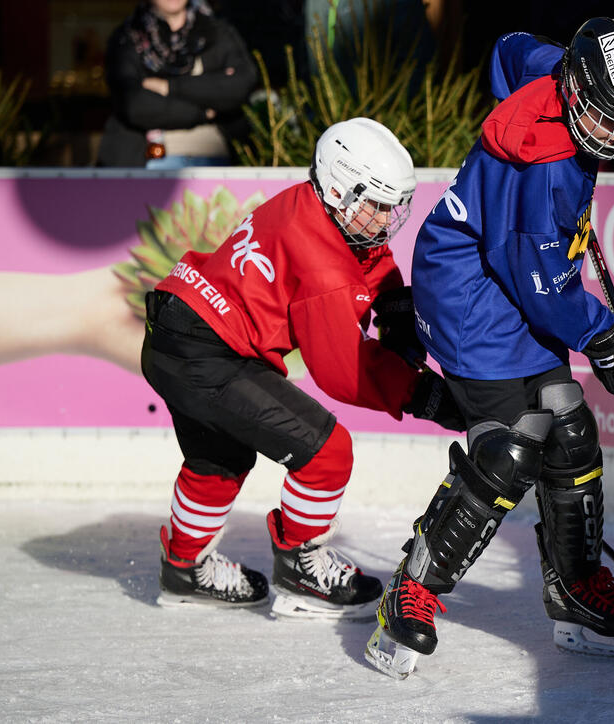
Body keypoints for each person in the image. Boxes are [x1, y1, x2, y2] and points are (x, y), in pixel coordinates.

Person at [365, 17, 614, 678]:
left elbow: (507, 49)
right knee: (509, 448)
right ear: (577, 92)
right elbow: (545, 291)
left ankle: (574, 587)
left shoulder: (554, 74)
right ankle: (411, 590)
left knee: (570, 425)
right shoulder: (549, 171)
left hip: (504, 270)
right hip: (470, 294)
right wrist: (611, 339)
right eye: (606, 120)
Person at [141, 117, 465, 619]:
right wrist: (425, 395)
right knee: (325, 452)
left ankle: (183, 570)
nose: (386, 219)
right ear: (339, 191)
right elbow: (345, 372)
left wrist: (392, 302)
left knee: (218, 460)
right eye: (377, 205)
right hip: (209, 355)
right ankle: (300, 570)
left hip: (173, 332)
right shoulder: (323, 264)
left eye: (392, 206)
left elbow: (364, 255)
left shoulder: (308, 203)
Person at [97, 0, 257, 167]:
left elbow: (240, 85)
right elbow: (134, 104)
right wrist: (204, 112)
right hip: (150, 161)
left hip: (219, 160)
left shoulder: (217, 31)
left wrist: (168, 87)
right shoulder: (130, 37)